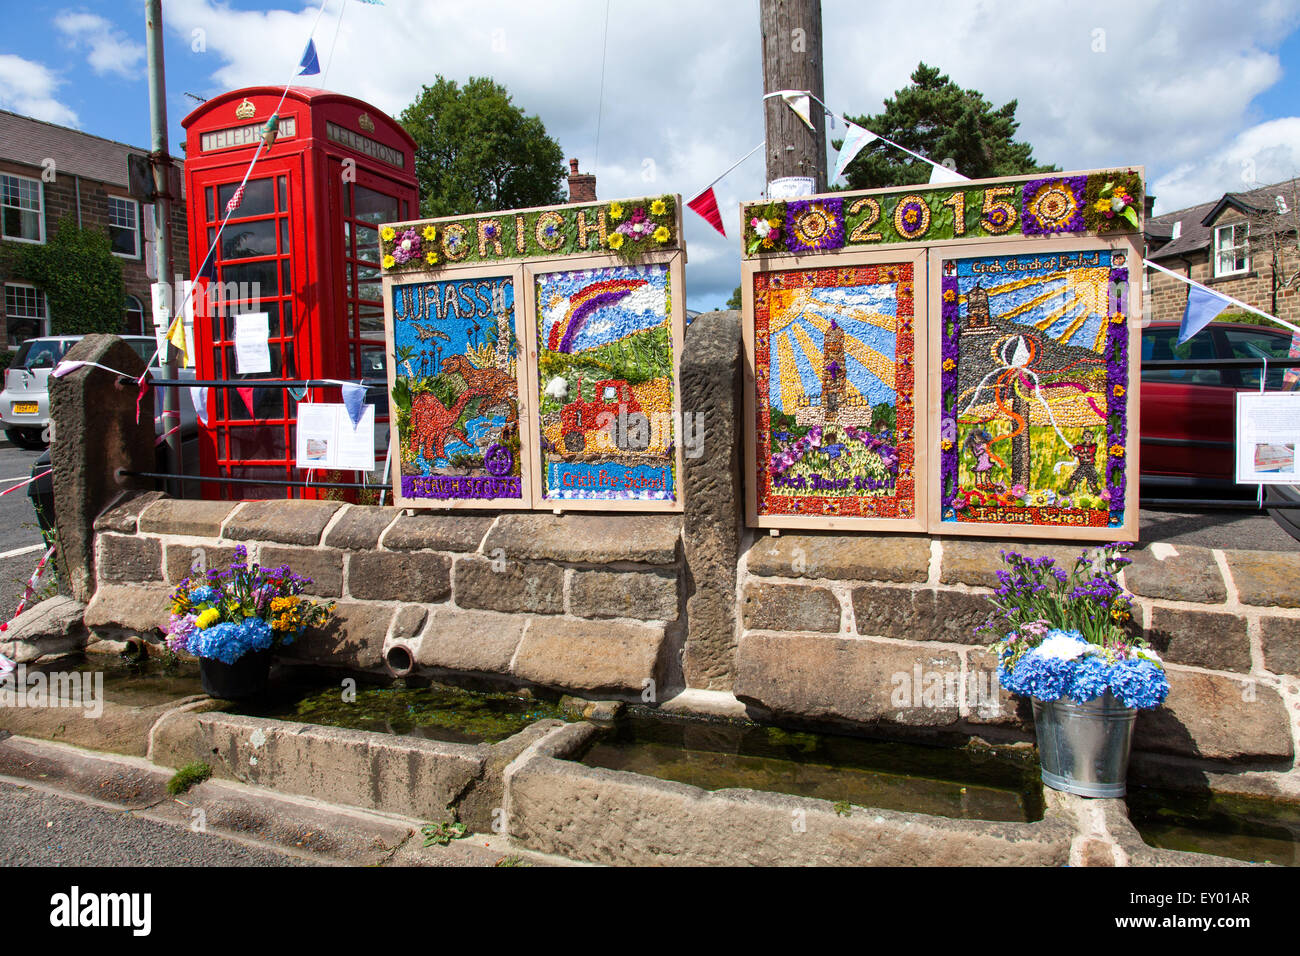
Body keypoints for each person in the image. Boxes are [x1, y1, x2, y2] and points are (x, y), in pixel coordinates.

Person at [1063, 429, 1102, 496]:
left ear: (1092, 437)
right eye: (1086, 436)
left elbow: (1089, 453)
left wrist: (1079, 454)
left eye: (1089, 436)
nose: (1087, 437)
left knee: (1092, 479)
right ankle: (1069, 490)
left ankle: (1096, 491)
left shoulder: (1093, 446)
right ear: (1083, 437)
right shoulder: (1080, 446)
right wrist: (1073, 451)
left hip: (1090, 465)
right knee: (1075, 477)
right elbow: (1073, 451)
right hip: (1083, 465)